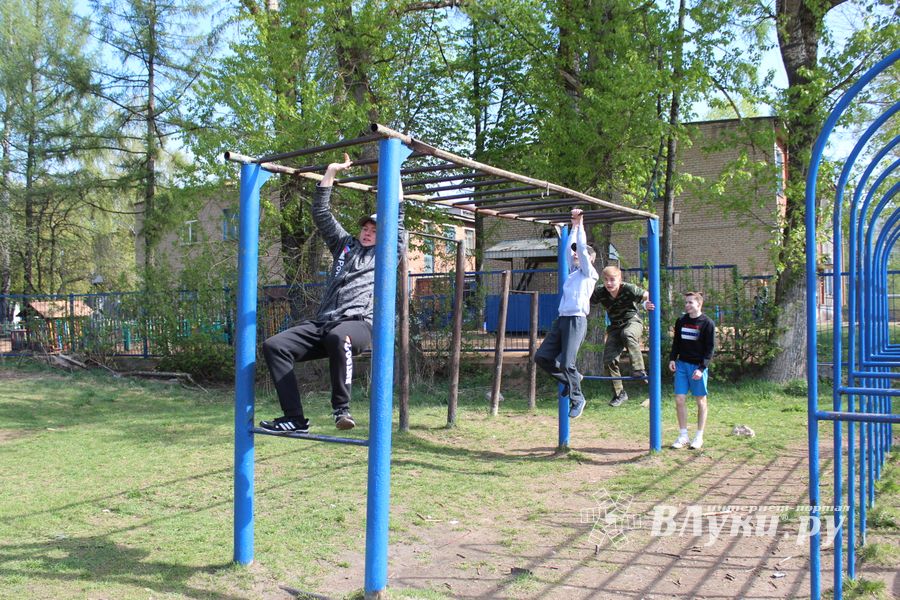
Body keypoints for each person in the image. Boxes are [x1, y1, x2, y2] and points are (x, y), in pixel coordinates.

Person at [259, 153, 405, 434]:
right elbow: (321, 214)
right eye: (365, 228)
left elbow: (398, 213)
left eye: (374, 230)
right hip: (324, 323)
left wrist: (394, 167)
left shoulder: (387, 254)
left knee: (340, 337)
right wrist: (331, 172)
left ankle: (341, 409)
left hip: (358, 324)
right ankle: (294, 418)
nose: (367, 232)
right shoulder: (344, 245)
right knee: (274, 346)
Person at [534, 208, 599, 419]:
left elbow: (580, 248)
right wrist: (573, 227)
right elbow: (568, 250)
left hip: (577, 321)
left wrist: (580, 225)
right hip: (562, 320)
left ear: (590, 259)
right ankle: (572, 381)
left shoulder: (589, 273)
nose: (575, 254)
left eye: (579, 253)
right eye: (574, 253)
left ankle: (578, 398)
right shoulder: (572, 273)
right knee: (542, 357)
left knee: (567, 363)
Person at [590, 265, 655, 407]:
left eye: (612, 279)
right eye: (606, 280)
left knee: (628, 334)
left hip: (632, 321)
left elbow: (648, 295)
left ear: (619, 279)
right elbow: (587, 300)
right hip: (614, 326)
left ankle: (639, 369)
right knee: (609, 360)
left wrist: (645, 304)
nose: (609, 283)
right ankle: (619, 393)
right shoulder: (600, 291)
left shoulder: (628, 289)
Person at [668, 291, 716, 450]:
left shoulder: (707, 323)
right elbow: (676, 342)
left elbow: (710, 349)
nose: (687, 305)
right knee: (679, 399)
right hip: (682, 365)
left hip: (697, 367)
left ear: (699, 304)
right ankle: (683, 436)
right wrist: (672, 359)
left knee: (700, 401)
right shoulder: (681, 321)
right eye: (686, 302)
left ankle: (699, 436)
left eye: (690, 302)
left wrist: (702, 368)